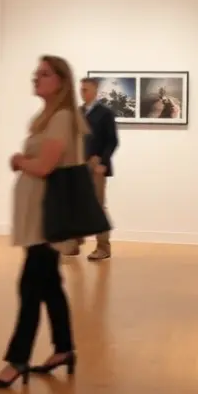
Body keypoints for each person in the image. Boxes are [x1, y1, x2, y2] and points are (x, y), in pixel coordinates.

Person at [0, 55, 85, 390]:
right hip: (40, 216)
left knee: (30, 288)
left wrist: (18, 160)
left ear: (61, 81)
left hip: (47, 218)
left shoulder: (61, 119)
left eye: (43, 74)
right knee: (49, 285)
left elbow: (44, 167)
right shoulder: (48, 118)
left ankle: (16, 361)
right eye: (35, 73)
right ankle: (63, 349)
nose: (35, 78)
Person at [80, 77, 118, 261]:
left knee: (97, 206)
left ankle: (103, 246)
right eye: (81, 89)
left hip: (96, 167)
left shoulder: (105, 113)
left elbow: (112, 140)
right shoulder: (78, 112)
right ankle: (73, 243)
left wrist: (102, 161)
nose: (82, 92)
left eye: (85, 89)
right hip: (78, 165)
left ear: (95, 91)